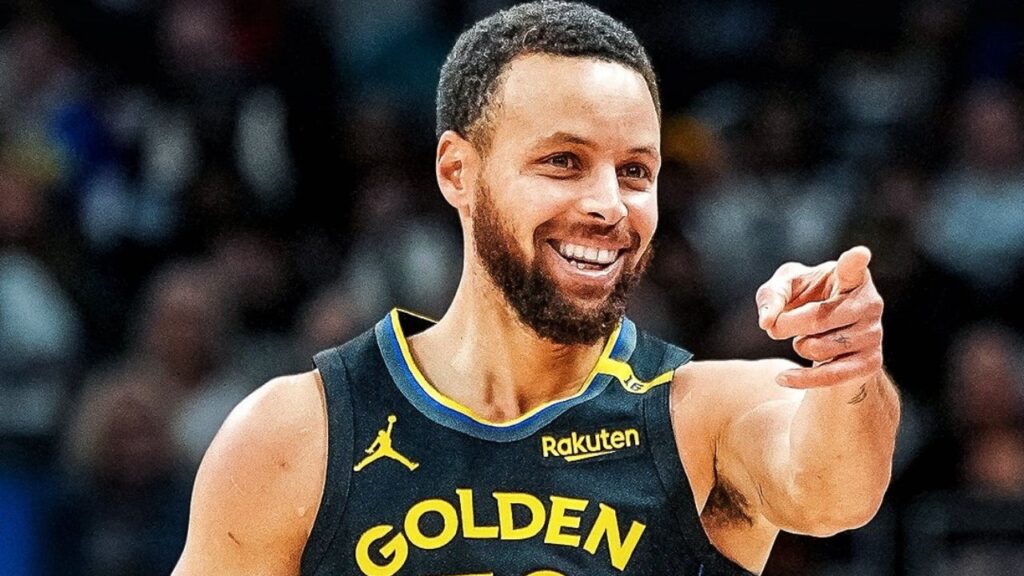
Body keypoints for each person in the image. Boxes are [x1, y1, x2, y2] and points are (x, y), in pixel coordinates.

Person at [172, 2, 900, 575]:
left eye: (635, 171)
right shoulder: (297, 434)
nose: (609, 205)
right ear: (458, 171)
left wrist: (850, 364)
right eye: (563, 161)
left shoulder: (705, 417)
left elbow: (837, 492)